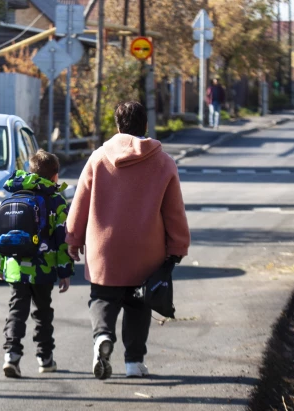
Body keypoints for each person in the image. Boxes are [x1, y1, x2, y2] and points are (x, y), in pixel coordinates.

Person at [65, 101, 190, 380]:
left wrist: (72, 239)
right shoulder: (163, 162)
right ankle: (134, 362)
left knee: (102, 298)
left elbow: (80, 204)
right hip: (146, 250)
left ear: (118, 126)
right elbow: (174, 211)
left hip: (103, 249)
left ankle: (102, 338)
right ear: (145, 125)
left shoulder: (98, 158)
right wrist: (178, 247)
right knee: (138, 305)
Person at [0, 149, 74, 378]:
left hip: (15, 267)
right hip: (43, 269)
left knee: (16, 310)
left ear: (32, 171)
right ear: (55, 175)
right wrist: (64, 271)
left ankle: (11, 356)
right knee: (43, 313)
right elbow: (61, 238)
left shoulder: (12, 195)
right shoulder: (55, 199)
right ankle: (45, 359)